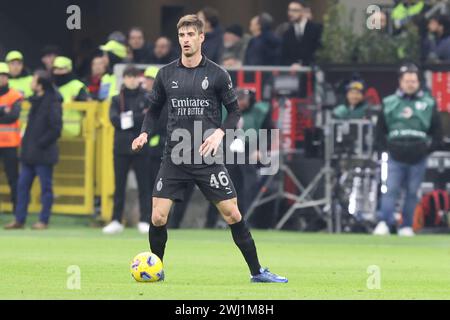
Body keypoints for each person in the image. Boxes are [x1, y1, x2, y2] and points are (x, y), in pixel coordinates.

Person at [132, 14, 287, 283]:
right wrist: (145, 132)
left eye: (191, 35)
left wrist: (219, 133)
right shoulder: (165, 74)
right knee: (157, 216)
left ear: (201, 37)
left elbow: (235, 112)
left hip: (207, 157)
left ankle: (257, 271)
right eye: (182, 36)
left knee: (233, 213)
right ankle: (156, 271)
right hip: (175, 157)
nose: (186, 40)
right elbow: (154, 110)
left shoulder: (217, 74)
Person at [373, 64, 442, 237]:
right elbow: (380, 130)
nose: (410, 84)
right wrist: (385, 149)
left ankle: (407, 225)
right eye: (407, 81)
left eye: (413, 81)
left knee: (413, 192)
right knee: (390, 189)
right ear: (400, 82)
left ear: (419, 82)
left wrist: (427, 149)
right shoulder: (390, 102)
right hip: (395, 154)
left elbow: (438, 131)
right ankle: (385, 222)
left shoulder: (428, 103)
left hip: (418, 155)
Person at [205, 88, 275, 228]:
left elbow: (269, 132)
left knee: (248, 187)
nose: (240, 103)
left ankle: (247, 220)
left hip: (250, 150)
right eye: (238, 100)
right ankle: (211, 222)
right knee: (222, 185)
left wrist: (260, 149)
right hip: (227, 149)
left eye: (243, 100)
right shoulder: (224, 109)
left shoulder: (259, 111)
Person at [4, 70, 62, 230]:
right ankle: (19, 219)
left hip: (43, 154)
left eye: (34, 80)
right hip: (29, 154)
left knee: (45, 188)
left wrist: (40, 143)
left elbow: (56, 129)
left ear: (40, 85)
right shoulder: (36, 101)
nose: (31, 83)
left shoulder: (52, 102)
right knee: (22, 186)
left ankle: (43, 220)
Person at [103, 66, 152, 234]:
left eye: (133, 76)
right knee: (119, 185)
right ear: (123, 78)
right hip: (121, 147)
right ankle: (116, 219)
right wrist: (135, 117)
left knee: (144, 185)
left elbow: (147, 118)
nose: (131, 80)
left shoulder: (146, 97)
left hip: (141, 147)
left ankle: (145, 219)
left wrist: (129, 118)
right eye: (128, 76)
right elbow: (114, 120)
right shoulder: (117, 99)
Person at [0, 62, 22, 214]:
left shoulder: (15, 95)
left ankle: (17, 212)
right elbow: (7, 116)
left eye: (3, 76)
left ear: (7, 77)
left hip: (10, 144)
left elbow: (13, 116)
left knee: (13, 179)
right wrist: (2, 110)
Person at [52, 56, 91, 138]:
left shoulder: (77, 86)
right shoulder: (51, 86)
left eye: (61, 69)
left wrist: (78, 101)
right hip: (53, 130)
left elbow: (87, 108)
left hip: (72, 132)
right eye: (56, 69)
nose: (58, 72)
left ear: (69, 70)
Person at [280, 1, 323, 66]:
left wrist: (303, 64)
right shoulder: (287, 33)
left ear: (303, 11)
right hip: (294, 73)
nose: (290, 13)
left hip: (311, 71)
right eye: (289, 10)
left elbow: (319, 52)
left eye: (294, 10)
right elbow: (284, 56)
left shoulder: (316, 29)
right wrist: (292, 64)